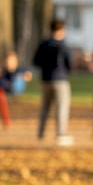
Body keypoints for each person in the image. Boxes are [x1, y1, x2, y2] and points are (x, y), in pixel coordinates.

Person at [33, 18, 74, 146]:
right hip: (60, 80)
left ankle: (41, 132)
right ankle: (60, 133)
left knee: (45, 107)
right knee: (62, 106)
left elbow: (36, 61)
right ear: (62, 30)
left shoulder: (43, 44)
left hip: (46, 79)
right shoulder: (63, 45)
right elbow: (69, 63)